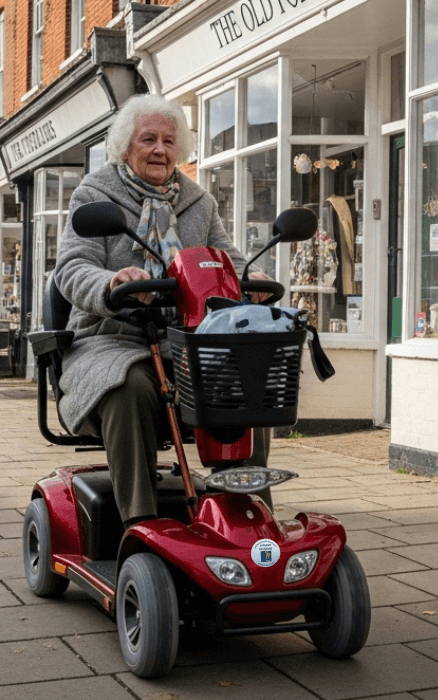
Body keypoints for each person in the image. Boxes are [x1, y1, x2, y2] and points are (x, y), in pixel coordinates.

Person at [52, 93, 271, 528]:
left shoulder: (198, 202)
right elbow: (72, 268)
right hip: (110, 339)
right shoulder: (95, 196)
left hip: (183, 343)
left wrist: (254, 279)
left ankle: (247, 512)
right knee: (129, 384)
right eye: (148, 139)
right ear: (125, 147)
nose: (160, 149)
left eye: (169, 141)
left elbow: (225, 257)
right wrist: (112, 283)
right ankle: (141, 523)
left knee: (248, 382)